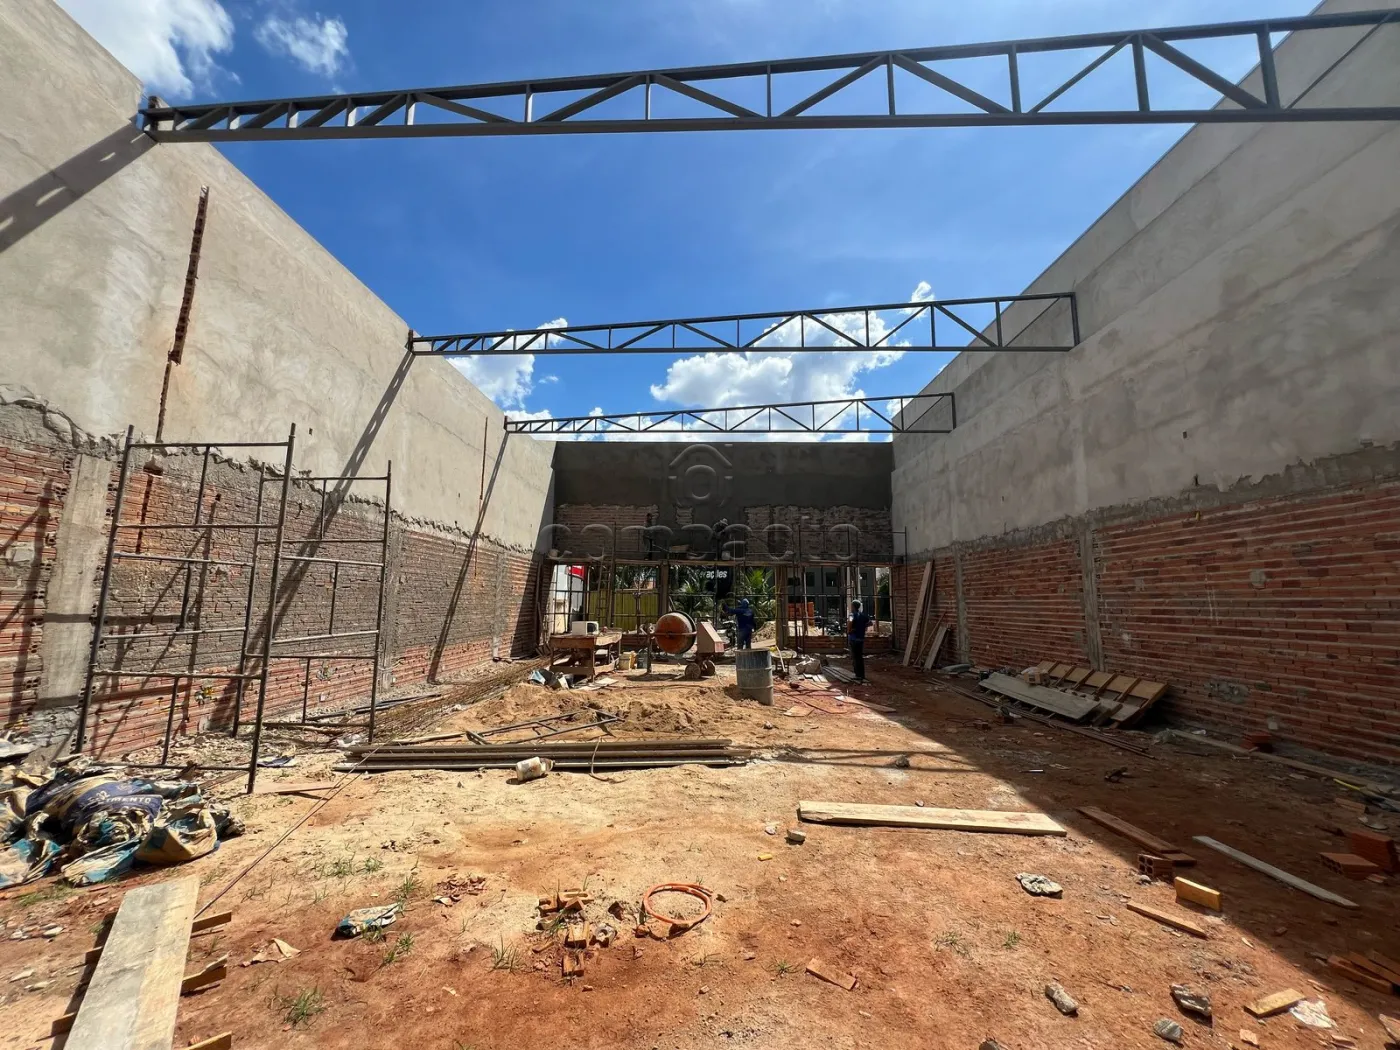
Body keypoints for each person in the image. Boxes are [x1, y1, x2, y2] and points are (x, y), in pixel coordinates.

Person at [847, 599, 871, 683]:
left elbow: (850, 623)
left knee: (855, 657)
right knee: (860, 657)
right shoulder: (863, 615)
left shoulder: (851, 615)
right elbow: (870, 623)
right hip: (861, 639)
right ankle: (862, 675)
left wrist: (849, 630)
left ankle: (857, 675)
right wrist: (862, 627)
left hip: (853, 638)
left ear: (853, 606)